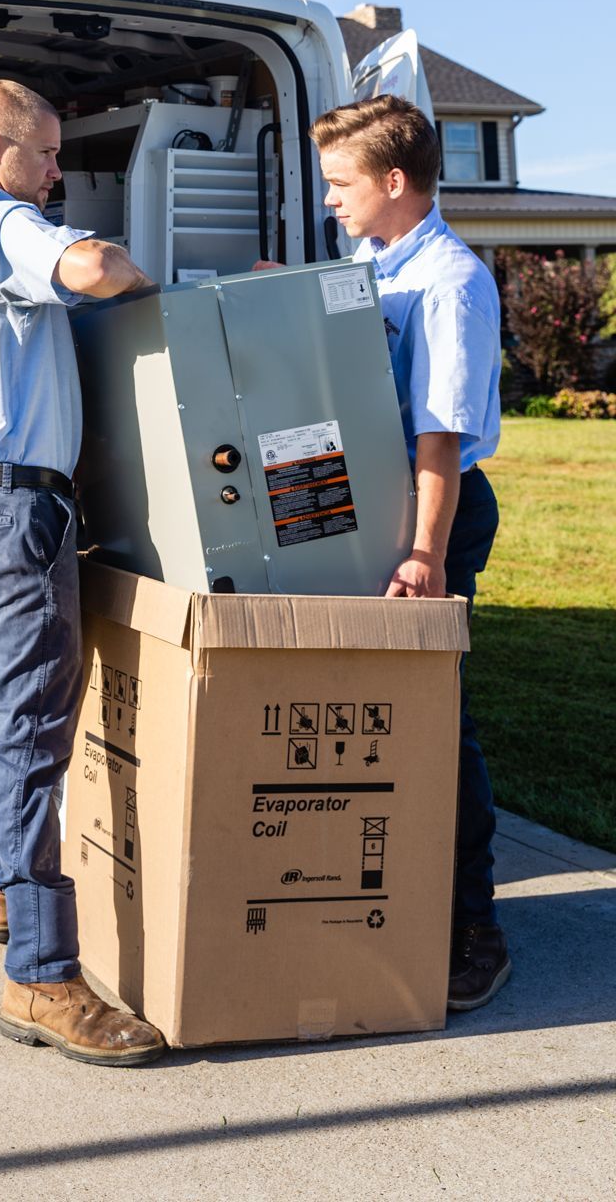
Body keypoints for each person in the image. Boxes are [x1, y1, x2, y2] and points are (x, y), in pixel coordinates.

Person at [0, 78, 166, 1066]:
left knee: (5, 701)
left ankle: (5, 891)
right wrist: (152, 293)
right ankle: (41, 975)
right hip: (15, 500)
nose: (58, 172)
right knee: (31, 712)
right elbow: (95, 263)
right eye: (47, 152)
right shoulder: (4, 223)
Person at [312, 94, 510, 1011]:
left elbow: (441, 439)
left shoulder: (451, 282)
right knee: (384, 715)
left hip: (440, 515)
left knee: (438, 721)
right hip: (390, 511)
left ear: (396, 182)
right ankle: (397, 904)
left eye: (342, 183)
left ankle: (476, 930)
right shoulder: (376, 258)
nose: (331, 201)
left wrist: (425, 555)